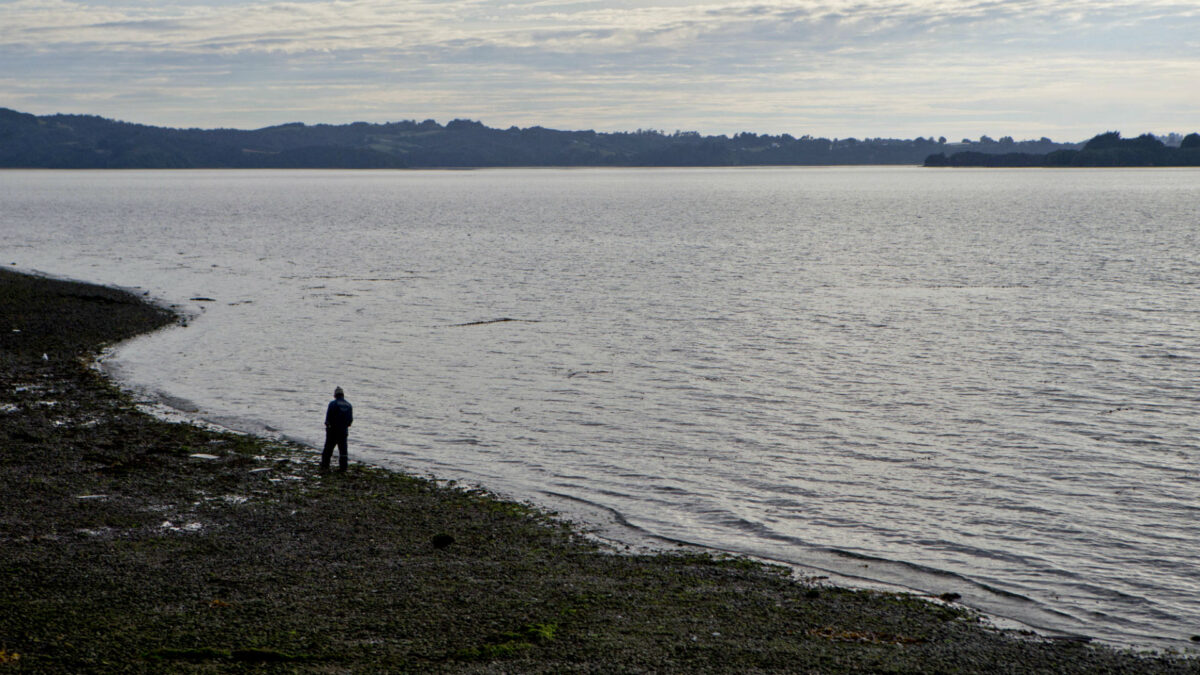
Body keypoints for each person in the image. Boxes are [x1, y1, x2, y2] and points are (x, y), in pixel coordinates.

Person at [321, 386, 353, 472]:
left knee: (328, 449)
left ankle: (325, 466)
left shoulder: (332, 404)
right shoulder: (349, 405)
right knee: (343, 451)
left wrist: (328, 426)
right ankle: (343, 468)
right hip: (343, 431)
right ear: (343, 395)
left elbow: (328, 419)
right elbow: (350, 421)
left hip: (333, 431)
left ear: (335, 395)